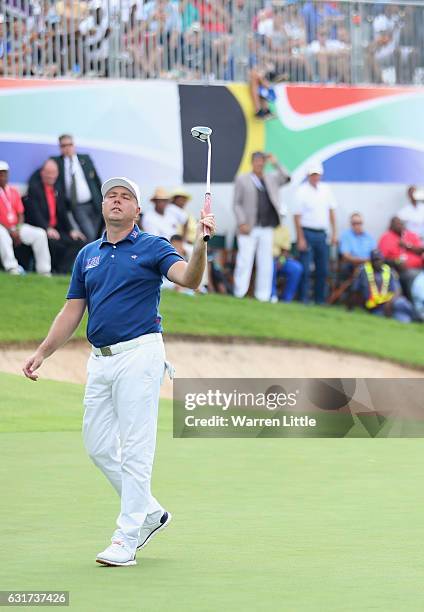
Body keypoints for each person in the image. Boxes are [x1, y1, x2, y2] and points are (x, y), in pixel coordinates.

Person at [22, 176, 216, 567]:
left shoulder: (153, 247)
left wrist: (201, 244)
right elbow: (72, 310)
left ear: (136, 210)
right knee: (97, 446)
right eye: (111, 195)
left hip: (140, 354)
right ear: (102, 205)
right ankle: (149, 513)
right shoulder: (87, 255)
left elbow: (191, 279)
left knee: (136, 450)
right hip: (101, 359)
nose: (117, 200)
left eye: (126, 197)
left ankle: (126, 536)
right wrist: (43, 351)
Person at [233, 151, 290, 302]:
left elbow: (286, 177)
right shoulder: (243, 179)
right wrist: (242, 222)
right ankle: (240, 292)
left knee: (265, 262)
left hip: (267, 226)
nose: (260, 164)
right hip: (249, 227)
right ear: (252, 162)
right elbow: (237, 203)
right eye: (258, 161)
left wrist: (275, 163)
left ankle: (263, 295)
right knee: (245, 260)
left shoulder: (271, 178)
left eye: (263, 161)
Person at [24, 159, 86, 274]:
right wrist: (47, 228)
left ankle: (60, 271)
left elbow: (63, 213)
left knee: (79, 241)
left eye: (53, 173)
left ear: (57, 173)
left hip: (57, 229)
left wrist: (72, 230)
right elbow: (35, 214)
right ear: (42, 173)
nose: (51, 176)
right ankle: (52, 269)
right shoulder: (35, 189)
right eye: (48, 172)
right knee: (53, 242)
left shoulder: (58, 189)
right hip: (41, 229)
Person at [293, 164, 337, 304]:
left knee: (323, 269)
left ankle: (319, 299)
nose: (315, 177)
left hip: (322, 234)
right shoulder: (301, 191)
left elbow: (331, 212)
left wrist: (334, 232)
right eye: (312, 174)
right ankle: (304, 298)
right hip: (307, 232)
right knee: (305, 269)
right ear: (308, 175)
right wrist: (300, 238)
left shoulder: (326, 190)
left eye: (317, 174)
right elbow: (297, 216)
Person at [0, 160, 51, 276]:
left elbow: (20, 213)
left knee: (40, 234)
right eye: (0, 174)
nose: (2, 177)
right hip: (3, 228)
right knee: (1, 234)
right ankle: (12, 268)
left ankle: (44, 271)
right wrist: (10, 231)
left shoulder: (13, 191)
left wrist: (17, 229)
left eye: (4, 174)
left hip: (16, 226)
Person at [53, 134, 103, 242]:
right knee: (90, 236)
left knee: (98, 234)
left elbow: (96, 180)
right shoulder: (57, 163)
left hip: (94, 203)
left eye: (70, 144)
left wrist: (103, 199)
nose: (67, 148)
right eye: (64, 145)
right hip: (77, 206)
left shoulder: (85, 159)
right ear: (60, 147)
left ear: (74, 145)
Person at [351, 249, 414, 323]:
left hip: (390, 303)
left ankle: (417, 317)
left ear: (383, 260)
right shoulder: (363, 271)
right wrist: (351, 308)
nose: (377, 262)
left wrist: (390, 302)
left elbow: (398, 291)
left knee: (403, 305)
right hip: (375, 306)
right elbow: (354, 290)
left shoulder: (389, 271)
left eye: (379, 259)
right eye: (375, 260)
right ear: (371, 260)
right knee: (398, 317)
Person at [378, 216, 423, 296]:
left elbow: (420, 250)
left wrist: (406, 245)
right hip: (401, 270)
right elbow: (382, 259)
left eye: (401, 223)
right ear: (391, 226)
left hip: (420, 267)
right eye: (397, 224)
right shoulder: (386, 237)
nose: (400, 226)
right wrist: (396, 262)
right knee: (413, 277)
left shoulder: (410, 235)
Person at [271, 224, 303, 303]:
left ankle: (287, 299)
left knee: (296, 268)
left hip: (280, 258)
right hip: (267, 258)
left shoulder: (284, 230)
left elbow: (285, 250)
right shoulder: (264, 228)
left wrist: (281, 261)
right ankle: (272, 295)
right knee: (271, 265)